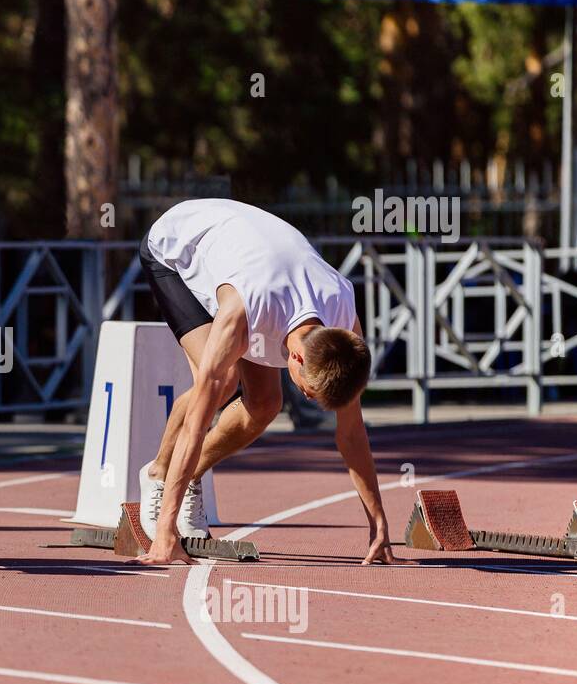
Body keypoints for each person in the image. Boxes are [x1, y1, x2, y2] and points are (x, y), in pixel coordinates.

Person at [133, 198, 396, 566]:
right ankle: (158, 474)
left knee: (265, 405)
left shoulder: (343, 316)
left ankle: (189, 475)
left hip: (249, 257)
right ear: (298, 358)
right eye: (308, 392)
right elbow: (198, 420)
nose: (306, 400)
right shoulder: (245, 310)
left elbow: (351, 432)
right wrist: (165, 533)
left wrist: (379, 522)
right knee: (220, 382)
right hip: (175, 249)